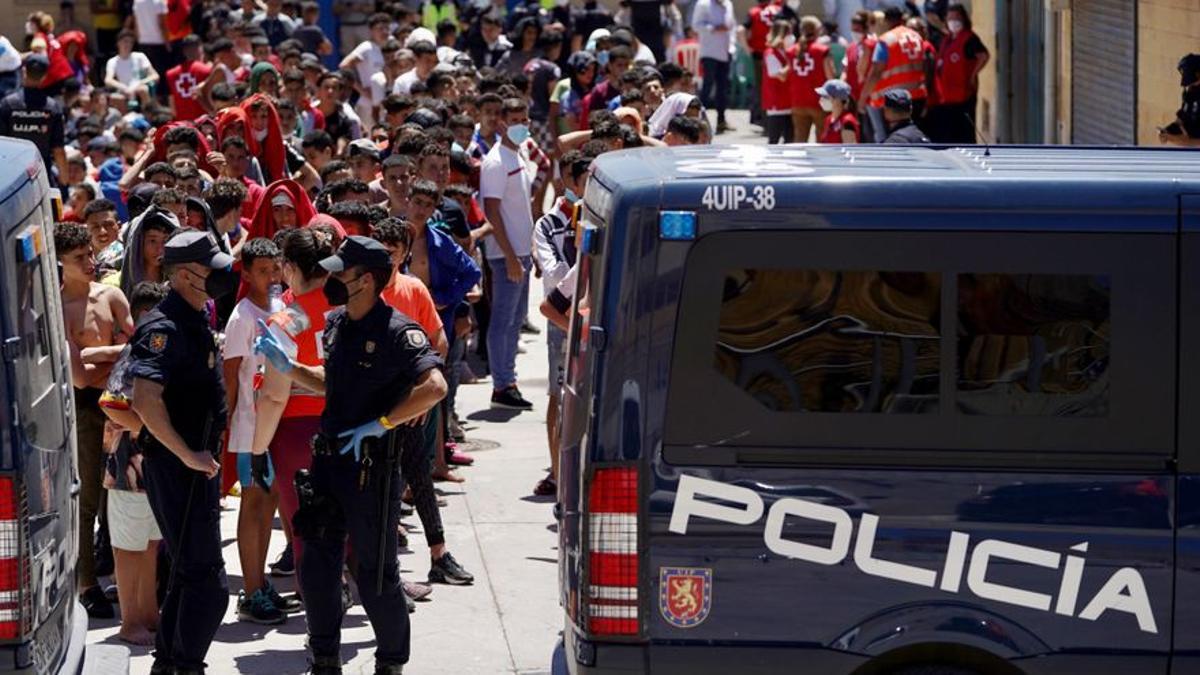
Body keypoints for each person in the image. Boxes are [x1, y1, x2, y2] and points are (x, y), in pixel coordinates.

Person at [253, 235, 448, 675]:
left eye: (342, 272)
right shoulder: (338, 322)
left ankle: (390, 663)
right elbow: (333, 380)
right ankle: (324, 658)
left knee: (377, 576)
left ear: (367, 280)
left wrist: (381, 424)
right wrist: (290, 368)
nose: (334, 278)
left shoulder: (398, 330)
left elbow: (435, 387)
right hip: (328, 466)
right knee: (319, 569)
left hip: (372, 472)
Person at [128, 230, 239, 673]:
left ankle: (170, 662)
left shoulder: (196, 315)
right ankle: (184, 665)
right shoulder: (164, 326)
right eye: (207, 268)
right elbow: (144, 399)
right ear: (183, 275)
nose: (217, 275)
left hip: (197, 465)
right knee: (208, 584)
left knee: (190, 574)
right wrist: (185, 454)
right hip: (178, 468)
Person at [56, 222, 135, 620]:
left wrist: (97, 352)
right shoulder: (58, 308)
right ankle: (87, 583)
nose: (89, 262)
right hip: (87, 411)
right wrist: (111, 357)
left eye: (89, 254)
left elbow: (137, 348)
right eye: (78, 258)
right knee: (89, 498)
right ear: (60, 263)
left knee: (123, 496)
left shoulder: (111, 294)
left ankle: (125, 575)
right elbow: (79, 378)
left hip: (123, 404)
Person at [223, 237, 298, 625]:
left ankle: (260, 580)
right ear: (246, 272)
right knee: (252, 505)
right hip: (250, 427)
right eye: (263, 270)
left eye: (276, 269)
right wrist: (229, 428)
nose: (272, 277)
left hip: (277, 422)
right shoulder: (241, 318)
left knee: (269, 501)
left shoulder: (283, 307)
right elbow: (231, 378)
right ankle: (251, 591)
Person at [98, 280, 170, 646]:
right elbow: (110, 403)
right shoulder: (135, 353)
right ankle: (130, 621)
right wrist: (150, 429)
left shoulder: (155, 351)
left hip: (152, 468)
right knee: (128, 548)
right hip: (127, 469)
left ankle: (148, 614)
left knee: (150, 544)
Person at [531, 149, 589, 497]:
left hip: (588, 319)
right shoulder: (550, 224)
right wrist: (584, 263)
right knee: (560, 396)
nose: (581, 189)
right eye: (577, 181)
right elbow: (553, 278)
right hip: (563, 319)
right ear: (566, 182)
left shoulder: (601, 218)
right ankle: (558, 474)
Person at [480, 98, 537, 411]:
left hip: (520, 252)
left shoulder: (520, 153)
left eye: (525, 119)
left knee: (515, 319)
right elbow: (492, 211)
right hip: (506, 256)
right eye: (515, 119)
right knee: (503, 320)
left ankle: (508, 379)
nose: (522, 125)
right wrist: (511, 257)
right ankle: (502, 384)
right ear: (501, 122)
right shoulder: (496, 162)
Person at [861, 7, 929, 143]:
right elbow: (926, 66)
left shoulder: (886, 40)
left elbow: (875, 72)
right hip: (917, 97)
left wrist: (863, 99)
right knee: (914, 138)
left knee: (892, 142)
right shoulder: (916, 37)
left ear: (886, 21)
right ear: (902, 19)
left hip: (893, 100)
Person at [0, 55, 67, 186]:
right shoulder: (52, 108)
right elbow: (58, 150)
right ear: (45, 76)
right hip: (41, 176)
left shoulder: (7, 104)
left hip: (10, 177)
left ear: (24, 71)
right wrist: (64, 181)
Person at [691, 0, 736, 133]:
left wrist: (732, 46)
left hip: (725, 51)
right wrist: (713, 28)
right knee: (707, 87)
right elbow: (696, 25)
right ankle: (699, 121)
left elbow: (732, 25)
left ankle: (721, 120)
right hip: (709, 51)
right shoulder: (702, 4)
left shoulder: (727, 4)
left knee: (723, 88)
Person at [105, 30, 158, 110]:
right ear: (118, 43)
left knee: (143, 90)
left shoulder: (140, 57)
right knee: (115, 98)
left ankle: (148, 116)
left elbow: (155, 76)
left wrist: (140, 82)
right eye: (125, 41)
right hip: (123, 90)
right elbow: (108, 80)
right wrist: (124, 88)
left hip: (139, 87)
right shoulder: (112, 61)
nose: (128, 44)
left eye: (131, 42)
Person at [166, 35, 213, 122]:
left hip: (182, 123)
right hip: (204, 122)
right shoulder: (207, 70)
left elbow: (172, 106)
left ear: (184, 52)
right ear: (200, 49)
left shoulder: (170, 74)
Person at [760, 19, 793, 145]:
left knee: (790, 139)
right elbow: (781, 76)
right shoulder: (770, 53)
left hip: (788, 102)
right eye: (788, 33)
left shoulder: (786, 52)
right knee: (774, 140)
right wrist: (791, 64)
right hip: (777, 103)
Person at [1162, 53, 1200, 147]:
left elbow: (1197, 143)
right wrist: (1167, 131)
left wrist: (1171, 138)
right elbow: (1182, 119)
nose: (1190, 86)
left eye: (1193, 83)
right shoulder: (1191, 93)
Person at [816, 78, 860, 143]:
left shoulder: (847, 122)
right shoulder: (829, 119)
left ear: (838, 99)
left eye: (826, 97)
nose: (821, 99)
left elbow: (850, 150)